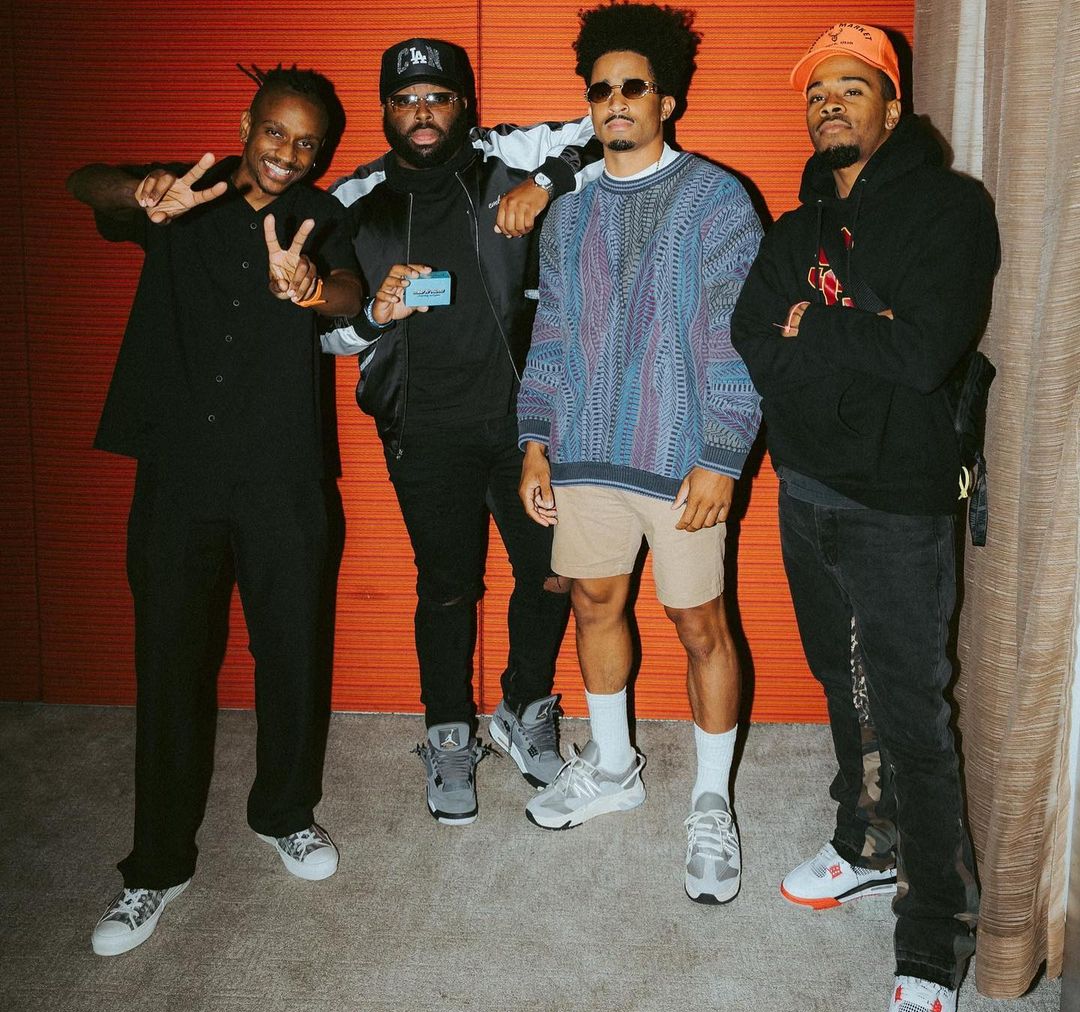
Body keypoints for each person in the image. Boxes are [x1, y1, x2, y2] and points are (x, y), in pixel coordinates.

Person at [730, 23, 998, 1012]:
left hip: (898, 507)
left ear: (893, 104)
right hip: (804, 492)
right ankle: (866, 839)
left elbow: (924, 353)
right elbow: (753, 336)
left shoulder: (951, 208)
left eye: (852, 86)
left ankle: (933, 944)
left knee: (913, 718)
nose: (828, 103)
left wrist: (816, 328)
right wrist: (840, 336)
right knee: (843, 689)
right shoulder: (796, 225)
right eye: (816, 91)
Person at [68, 64, 362, 956]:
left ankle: (285, 813)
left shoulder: (323, 217)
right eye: (275, 132)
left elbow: (349, 292)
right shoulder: (181, 196)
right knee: (169, 665)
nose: (288, 153)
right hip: (182, 474)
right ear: (245, 123)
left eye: (306, 142)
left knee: (294, 655)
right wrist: (138, 191)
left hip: (283, 477)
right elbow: (85, 182)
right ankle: (156, 865)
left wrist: (308, 289)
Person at [516, 2, 762, 906]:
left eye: (633, 86)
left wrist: (724, 454)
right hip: (584, 453)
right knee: (593, 602)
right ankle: (614, 766)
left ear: (667, 100)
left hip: (682, 454)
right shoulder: (568, 216)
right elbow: (551, 332)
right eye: (601, 89)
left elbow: (736, 336)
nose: (615, 101)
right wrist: (534, 441)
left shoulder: (719, 199)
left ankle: (710, 801)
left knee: (700, 623)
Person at [320, 39, 600, 825]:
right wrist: (376, 316)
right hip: (423, 428)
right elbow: (327, 334)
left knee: (553, 572)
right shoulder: (352, 200)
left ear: (463, 104)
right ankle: (448, 733)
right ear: (385, 110)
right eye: (405, 100)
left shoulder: (509, 156)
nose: (422, 113)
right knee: (446, 587)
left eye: (437, 98)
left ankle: (523, 707)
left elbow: (610, 124)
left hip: (524, 423)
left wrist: (545, 184)